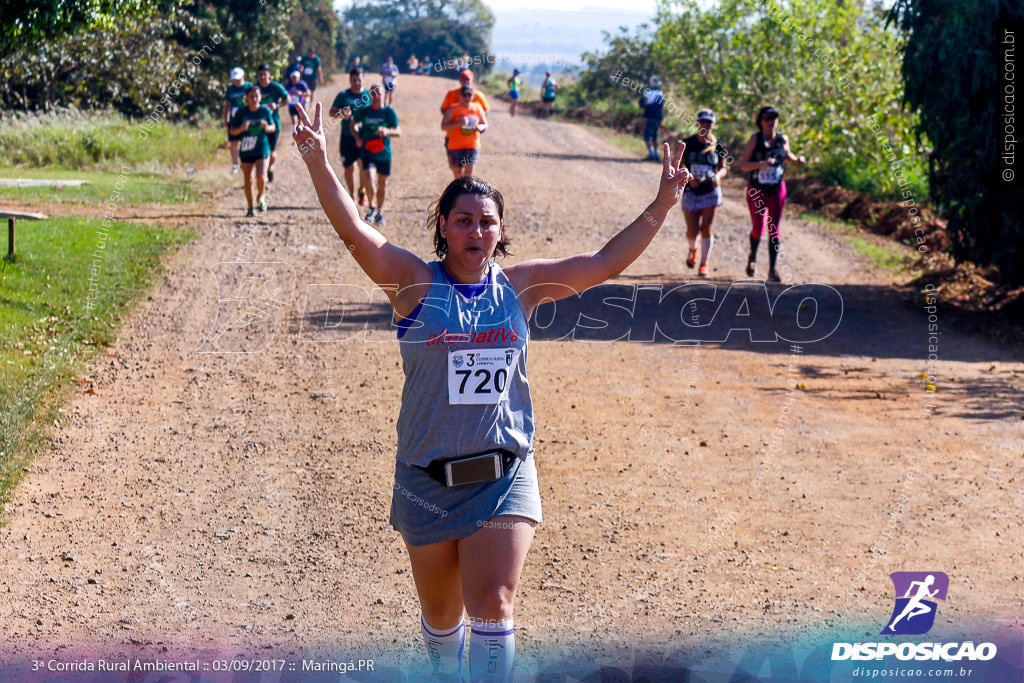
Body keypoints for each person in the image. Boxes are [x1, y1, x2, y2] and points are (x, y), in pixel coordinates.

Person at [292, 99, 690, 683]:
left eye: (487, 221)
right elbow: (355, 230)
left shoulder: (523, 287)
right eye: (463, 220)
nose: (476, 230)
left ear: (500, 232)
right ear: (444, 229)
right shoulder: (414, 285)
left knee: (494, 606)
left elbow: (604, 262)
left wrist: (662, 203)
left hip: (504, 473)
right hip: (427, 477)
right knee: (441, 618)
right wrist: (318, 161)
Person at [738, 105, 807, 282]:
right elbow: (744, 165)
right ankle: (752, 258)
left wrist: (798, 161)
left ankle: (772, 270)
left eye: (774, 117)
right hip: (757, 190)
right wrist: (762, 164)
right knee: (758, 228)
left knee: (774, 229)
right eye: (767, 118)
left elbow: (788, 157)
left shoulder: (782, 140)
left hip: (776, 189)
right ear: (760, 121)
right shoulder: (755, 139)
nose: (771, 121)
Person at [680, 109, 728, 277]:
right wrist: (687, 177)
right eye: (703, 121)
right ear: (697, 123)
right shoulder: (688, 143)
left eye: (709, 122)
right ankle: (693, 249)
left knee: (706, 228)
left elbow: (723, 168)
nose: (706, 125)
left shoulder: (718, 145)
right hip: (690, 190)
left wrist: (717, 176)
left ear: (713, 124)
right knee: (692, 230)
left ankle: (704, 264)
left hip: (710, 190)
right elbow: (678, 164)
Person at [350, 84, 400, 225]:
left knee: (383, 185)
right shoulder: (365, 111)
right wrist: (357, 137)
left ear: (384, 95)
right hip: (368, 152)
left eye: (379, 93)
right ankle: (371, 207)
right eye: (373, 94)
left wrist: (387, 132)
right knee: (369, 178)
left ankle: (379, 212)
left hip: (384, 154)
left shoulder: (388, 112)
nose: (376, 96)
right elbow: (352, 123)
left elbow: (398, 131)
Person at [229, 85, 275, 216]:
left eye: (256, 96)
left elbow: (273, 127)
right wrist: (241, 129)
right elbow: (232, 130)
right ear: (247, 98)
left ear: (260, 97)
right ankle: (250, 207)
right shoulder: (242, 112)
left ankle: (260, 197)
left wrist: (267, 127)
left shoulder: (264, 111)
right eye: (251, 97)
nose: (254, 99)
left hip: (262, 147)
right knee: (248, 180)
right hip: (246, 149)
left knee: (261, 176)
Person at [330, 68, 372, 206]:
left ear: (364, 80)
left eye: (359, 80)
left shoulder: (369, 95)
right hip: (347, 137)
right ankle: (351, 194)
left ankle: (362, 190)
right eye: (354, 80)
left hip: (363, 137)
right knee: (349, 168)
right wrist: (341, 113)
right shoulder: (343, 95)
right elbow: (332, 112)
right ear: (350, 80)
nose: (357, 82)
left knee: (362, 165)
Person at [442, 86, 488, 178]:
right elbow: (444, 127)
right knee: (458, 177)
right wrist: (459, 123)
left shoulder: (478, 108)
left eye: (469, 95)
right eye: (464, 95)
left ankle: (467, 191)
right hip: (455, 145)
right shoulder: (453, 109)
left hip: (472, 145)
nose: (467, 97)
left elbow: (485, 124)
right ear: (460, 96)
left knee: (469, 176)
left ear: (473, 96)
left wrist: (480, 127)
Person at [256, 63, 289, 184]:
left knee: (272, 154)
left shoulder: (275, 87)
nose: (262, 77)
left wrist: (278, 105)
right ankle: (261, 175)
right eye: (260, 74)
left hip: (273, 124)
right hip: (258, 126)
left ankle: (269, 168)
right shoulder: (255, 88)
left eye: (264, 74)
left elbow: (287, 99)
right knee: (260, 153)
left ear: (269, 74)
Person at [223, 67, 251, 173]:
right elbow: (227, 104)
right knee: (233, 142)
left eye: (238, 79)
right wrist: (226, 118)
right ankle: (235, 165)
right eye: (234, 79)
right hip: (234, 119)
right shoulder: (230, 89)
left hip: (246, 118)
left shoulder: (249, 87)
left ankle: (245, 162)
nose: (236, 81)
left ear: (243, 77)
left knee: (245, 141)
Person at [640, 76, 665, 161]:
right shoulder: (660, 93)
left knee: (647, 136)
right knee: (655, 136)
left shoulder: (649, 92)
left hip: (650, 118)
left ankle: (651, 154)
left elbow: (643, 104)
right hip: (658, 118)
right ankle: (656, 154)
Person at [286, 71, 312, 135]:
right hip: (292, 106)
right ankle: (294, 137)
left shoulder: (302, 84)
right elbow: (284, 94)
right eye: (292, 77)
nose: (294, 79)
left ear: (298, 77)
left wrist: (301, 93)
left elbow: (309, 93)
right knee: (294, 120)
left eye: (295, 77)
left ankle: (300, 134)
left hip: (301, 106)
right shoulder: (288, 85)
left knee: (300, 122)